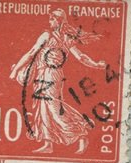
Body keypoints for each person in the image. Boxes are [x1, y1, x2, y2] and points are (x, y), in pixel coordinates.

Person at [9, 8, 106, 154]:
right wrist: (16, 69)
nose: (50, 22)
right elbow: (32, 52)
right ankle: (48, 144)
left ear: (59, 20)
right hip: (42, 74)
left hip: (53, 75)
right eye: (49, 19)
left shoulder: (59, 37)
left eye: (52, 19)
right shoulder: (51, 36)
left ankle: (81, 134)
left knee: (54, 108)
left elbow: (80, 57)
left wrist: (96, 65)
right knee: (42, 108)